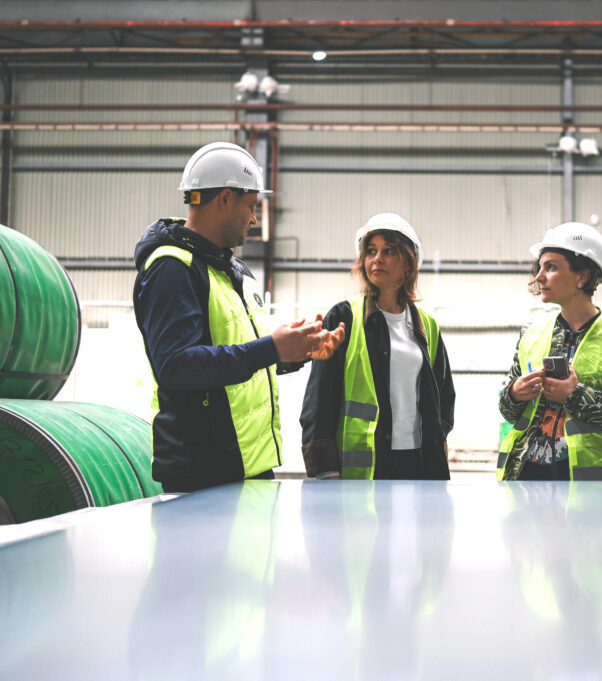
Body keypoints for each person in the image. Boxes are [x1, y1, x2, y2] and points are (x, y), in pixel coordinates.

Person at [133, 141, 345, 493]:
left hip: (251, 466)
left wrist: (296, 350)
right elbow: (176, 366)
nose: (254, 219)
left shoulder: (236, 272)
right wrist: (271, 349)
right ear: (225, 199)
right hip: (203, 474)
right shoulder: (172, 269)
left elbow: (240, 357)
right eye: (251, 206)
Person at [497, 222, 602, 481]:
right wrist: (515, 394)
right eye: (540, 267)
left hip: (596, 486)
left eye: (551, 267)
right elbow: (507, 410)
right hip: (529, 479)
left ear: (582, 275)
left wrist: (576, 396)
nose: (539, 277)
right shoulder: (531, 333)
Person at [300, 213, 455, 480]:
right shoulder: (344, 317)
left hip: (418, 460)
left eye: (388, 251)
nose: (377, 259)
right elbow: (319, 398)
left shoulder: (427, 325)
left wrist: (437, 438)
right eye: (371, 251)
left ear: (409, 263)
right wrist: (324, 468)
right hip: (363, 469)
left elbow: (444, 396)